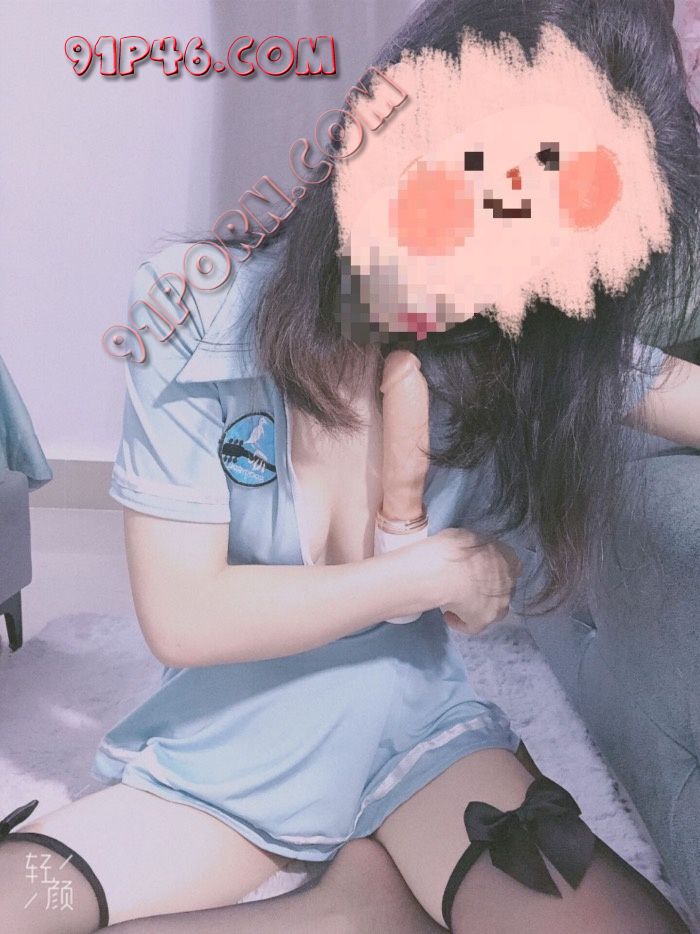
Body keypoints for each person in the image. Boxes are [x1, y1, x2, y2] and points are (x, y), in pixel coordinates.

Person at [2, 0, 698, 930]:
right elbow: (184, 614)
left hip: (421, 743)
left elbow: (668, 388)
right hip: (225, 753)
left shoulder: (521, 340)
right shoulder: (192, 307)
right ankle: (349, 910)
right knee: (24, 903)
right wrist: (424, 574)